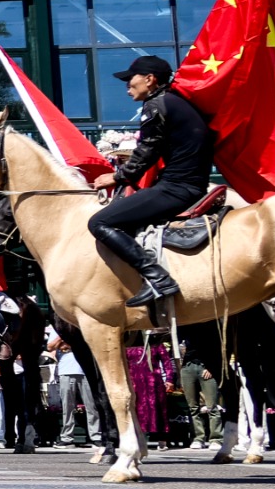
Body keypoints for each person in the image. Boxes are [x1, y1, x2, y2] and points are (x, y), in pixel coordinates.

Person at [87, 54, 212, 308]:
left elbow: (147, 151)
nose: (127, 86)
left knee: (99, 222)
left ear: (149, 79)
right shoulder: (176, 102)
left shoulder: (155, 104)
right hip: (189, 184)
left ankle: (158, 278)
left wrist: (116, 176)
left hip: (176, 188)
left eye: (130, 79)